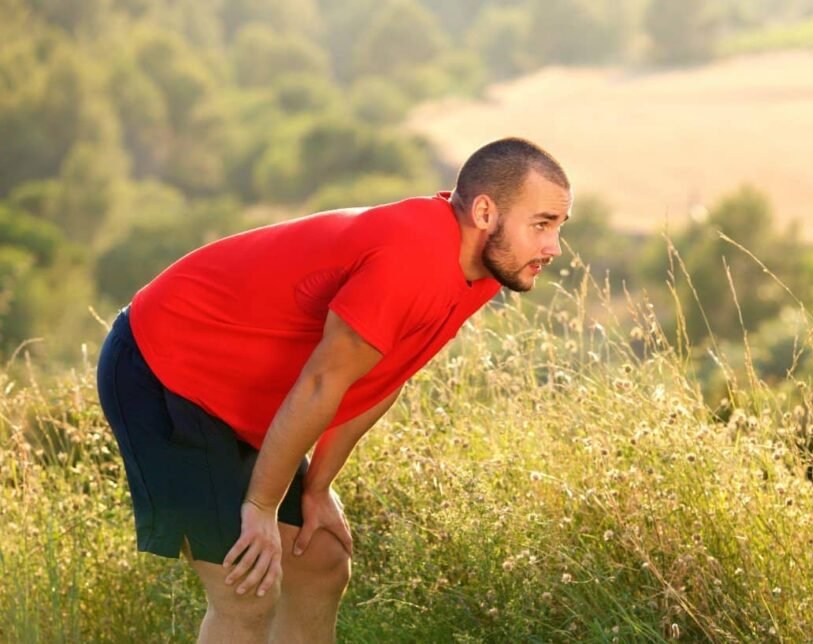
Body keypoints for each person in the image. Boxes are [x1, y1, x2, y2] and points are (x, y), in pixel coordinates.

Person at [95, 137, 572, 643]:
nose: (553, 248)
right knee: (245, 588)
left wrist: (318, 486)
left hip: (246, 390)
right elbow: (323, 381)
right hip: (166, 367)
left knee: (320, 560)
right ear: (483, 212)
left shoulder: (482, 271)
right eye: (541, 225)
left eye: (559, 228)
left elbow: (382, 377)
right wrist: (260, 507)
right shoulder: (414, 258)